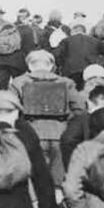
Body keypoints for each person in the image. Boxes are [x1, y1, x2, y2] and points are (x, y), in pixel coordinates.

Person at [9, 50, 84, 187]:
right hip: (60, 135)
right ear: (51, 66)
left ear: (30, 66)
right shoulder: (66, 83)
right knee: (58, 180)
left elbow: (11, 110)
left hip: (31, 134)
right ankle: (57, 205)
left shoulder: (18, 82)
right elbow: (80, 110)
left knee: (34, 181)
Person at [0, 10, 35, 90]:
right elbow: (29, 50)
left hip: (0, 61)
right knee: (19, 87)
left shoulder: (6, 28)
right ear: (26, 18)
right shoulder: (27, 30)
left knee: (1, 89)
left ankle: (1, 101)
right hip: (17, 62)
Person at [54, 24, 104, 90]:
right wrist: (103, 64)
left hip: (70, 70)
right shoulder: (95, 41)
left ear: (73, 31)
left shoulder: (66, 40)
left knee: (71, 91)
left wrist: (61, 64)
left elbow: (57, 54)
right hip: (88, 70)